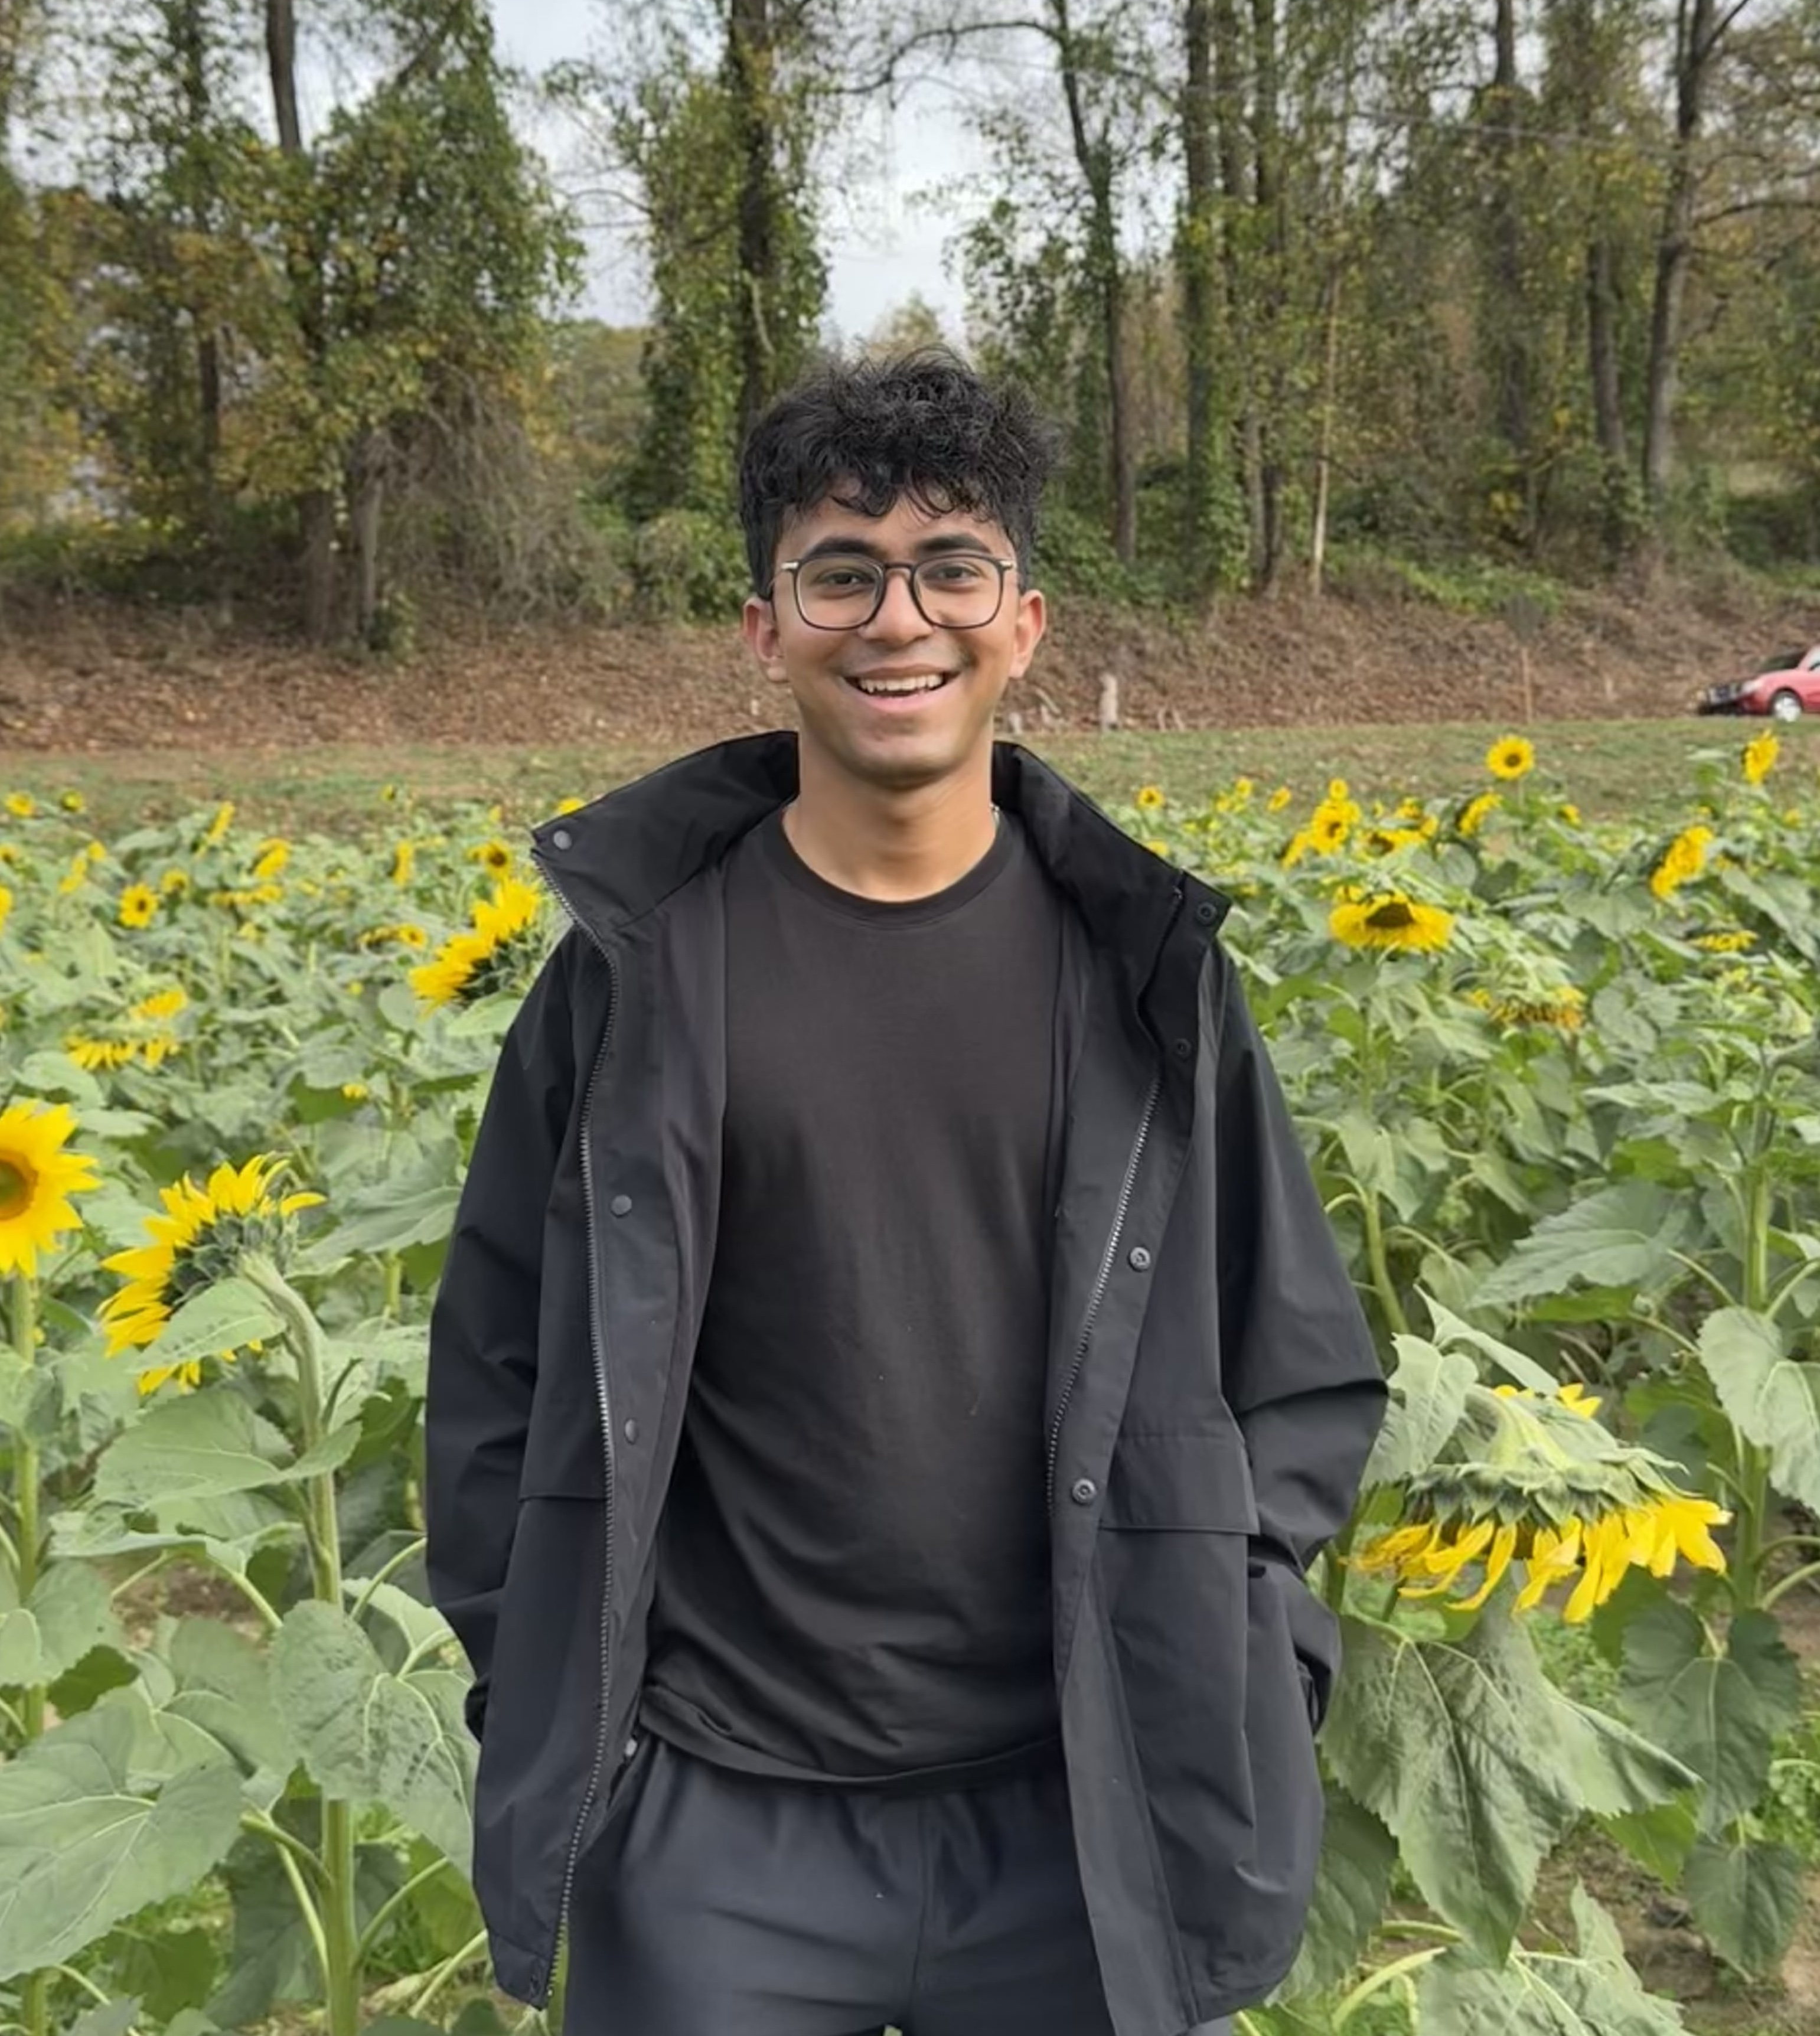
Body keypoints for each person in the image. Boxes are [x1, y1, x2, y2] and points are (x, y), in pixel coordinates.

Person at [424, 348, 1388, 2036]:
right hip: (713, 1825)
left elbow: (1294, 1362)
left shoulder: (1143, 976)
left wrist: (1249, 1658)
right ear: (764, 626)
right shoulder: (634, 977)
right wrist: (559, 1698)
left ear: (1024, 621)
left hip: (1078, 1817)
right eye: (841, 572)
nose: (898, 619)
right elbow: (494, 1364)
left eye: (952, 568)